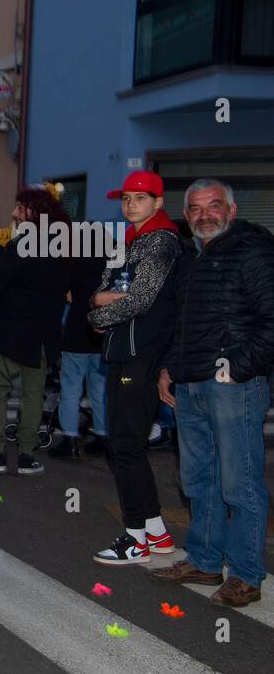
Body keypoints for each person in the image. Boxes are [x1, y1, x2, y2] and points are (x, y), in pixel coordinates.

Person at [153, 178, 274, 605]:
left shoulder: (254, 250)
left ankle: (245, 573)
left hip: (232, 388)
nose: (206, 215)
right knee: (197, 479)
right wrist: (169, 368)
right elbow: (183, 323)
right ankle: (204, 561)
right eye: (196, 209)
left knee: (238, 484)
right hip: (190, 385)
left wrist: (237, 369)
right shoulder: (193, 256)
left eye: (214, 206)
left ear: (232, 209)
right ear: (186, 217)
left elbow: (270, 321)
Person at [86, 170, 181, 564]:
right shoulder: (129, 240)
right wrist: (103, 298)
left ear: (157, 203)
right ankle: (156, 534)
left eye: (139, 198)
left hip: (141, 356)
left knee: (126, 445)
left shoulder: (161, 242)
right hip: (126, 352)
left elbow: (138, 300)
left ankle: (136, 536)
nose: (130, 204)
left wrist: (98, 313)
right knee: (126, 443)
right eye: (126, 198)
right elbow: (102, 288)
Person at [0, 187, 69, 476]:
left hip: (12, 330)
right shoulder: (62, 246)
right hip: (45, 334)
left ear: (33, 212)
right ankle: (26, 455)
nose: (13, 214)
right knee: (33, 394)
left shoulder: (22, 245)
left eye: (20, 208)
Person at [49, 237, 109, 458]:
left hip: (77, 331)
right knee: (100, 388)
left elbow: (61, 291)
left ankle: (70, 438)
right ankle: (103, 435)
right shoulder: (108, 267)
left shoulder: (74, 266)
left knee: (71, 386)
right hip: (102, 333)